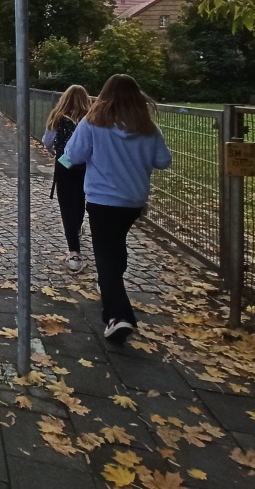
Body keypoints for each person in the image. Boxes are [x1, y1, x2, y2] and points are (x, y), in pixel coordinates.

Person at [63, 74, 171, 344]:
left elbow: (73, 155)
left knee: (105, 255)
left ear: (104, 95)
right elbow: (163, 161)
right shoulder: (147, 128)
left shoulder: (93, 122)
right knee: (116, 247)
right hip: (132, 201)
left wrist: (63, 163)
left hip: (102, 199)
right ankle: (112, 292)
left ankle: (118, 316)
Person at [42, 85, 92, 274]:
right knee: (81, 200)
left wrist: (57, 152)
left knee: (67, 206)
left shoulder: (58, 117)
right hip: (87, 166)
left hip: (64, 164)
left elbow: (47, 142)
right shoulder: (90, 118)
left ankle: (74, 253)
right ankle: (77, 227)